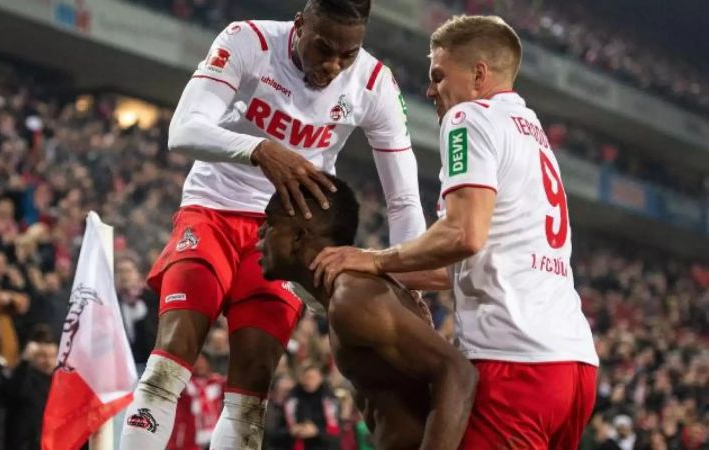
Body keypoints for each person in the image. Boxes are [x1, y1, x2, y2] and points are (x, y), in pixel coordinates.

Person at [120, 0, 431, 448]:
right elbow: (184, 128)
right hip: (214, 208)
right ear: (300, 24)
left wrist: (410, 285)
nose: (333, 65)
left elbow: (402, 199)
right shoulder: (249, 40)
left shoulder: (374, 83)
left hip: (287, 235)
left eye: (348, 53)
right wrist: (260, 149)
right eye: (323, 48)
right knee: (173, 355)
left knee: (252, 386)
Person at [310, 15, 599, 449]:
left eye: (439, 76)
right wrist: (377, 271)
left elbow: (464, 235)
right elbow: (457, 268)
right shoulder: (531, 131)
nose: (430, 91)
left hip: (515, 361)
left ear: (479, 74)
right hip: (574, 366)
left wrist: (374, 260)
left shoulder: (471, 116)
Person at [257, 174, 476, 449]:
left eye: (271, 222)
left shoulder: (353, 297)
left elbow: (457, 372)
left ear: (299, 237)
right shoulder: (349, 293)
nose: (259, 232)